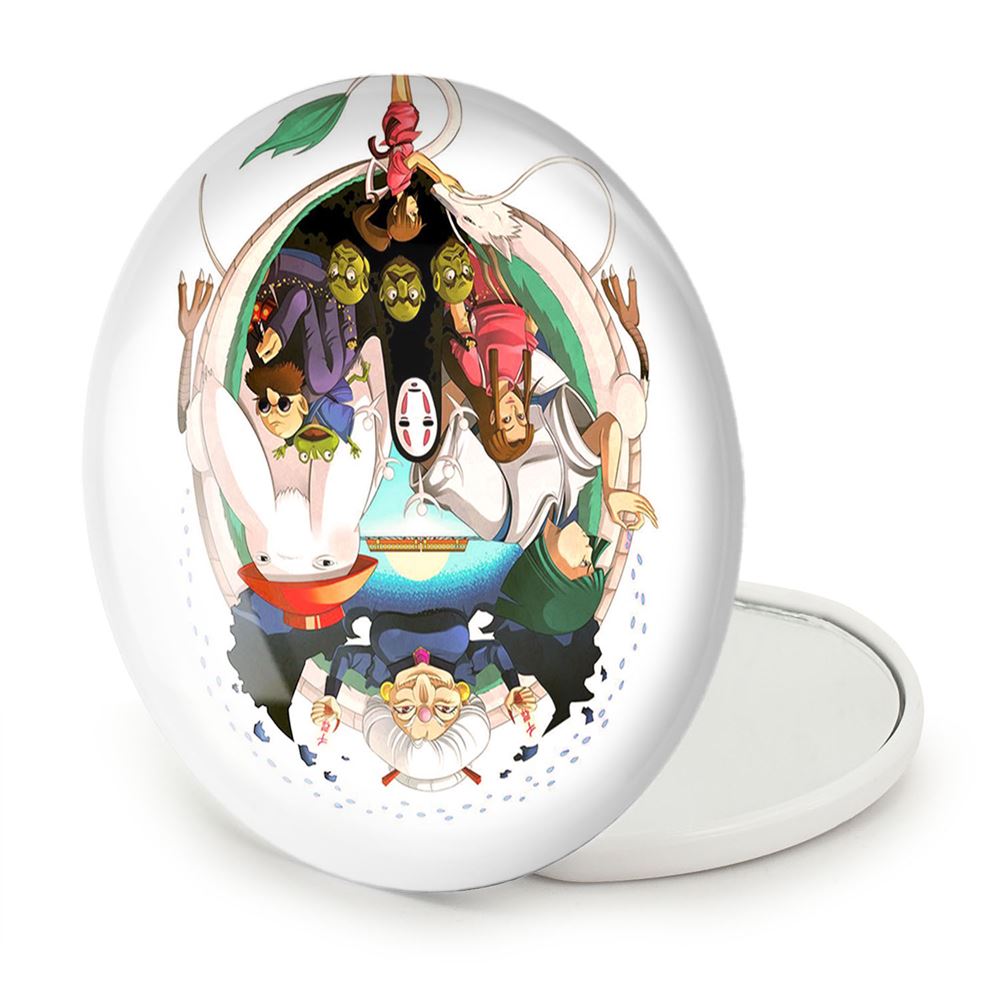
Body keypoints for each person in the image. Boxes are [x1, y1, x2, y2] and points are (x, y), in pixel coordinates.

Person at [353, 75, 462, 252]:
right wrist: (438, 179)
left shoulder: (395, 181)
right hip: (406, 122)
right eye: (416, 213)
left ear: (397, 211)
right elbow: (418, 164)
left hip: (399, 120)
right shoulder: (401, 184)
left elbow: (416, 158)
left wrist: (441, 176)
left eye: (411, 213)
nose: (416, 209)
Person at [244, 358, 369, 460]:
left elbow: (291, 437)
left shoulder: (299, 421)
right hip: (323, 384)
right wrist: (351, 443)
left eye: (309, 435)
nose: (313, 433)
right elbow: (342, 427)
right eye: (318, 435)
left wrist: (284, 448)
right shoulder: (330, 415)